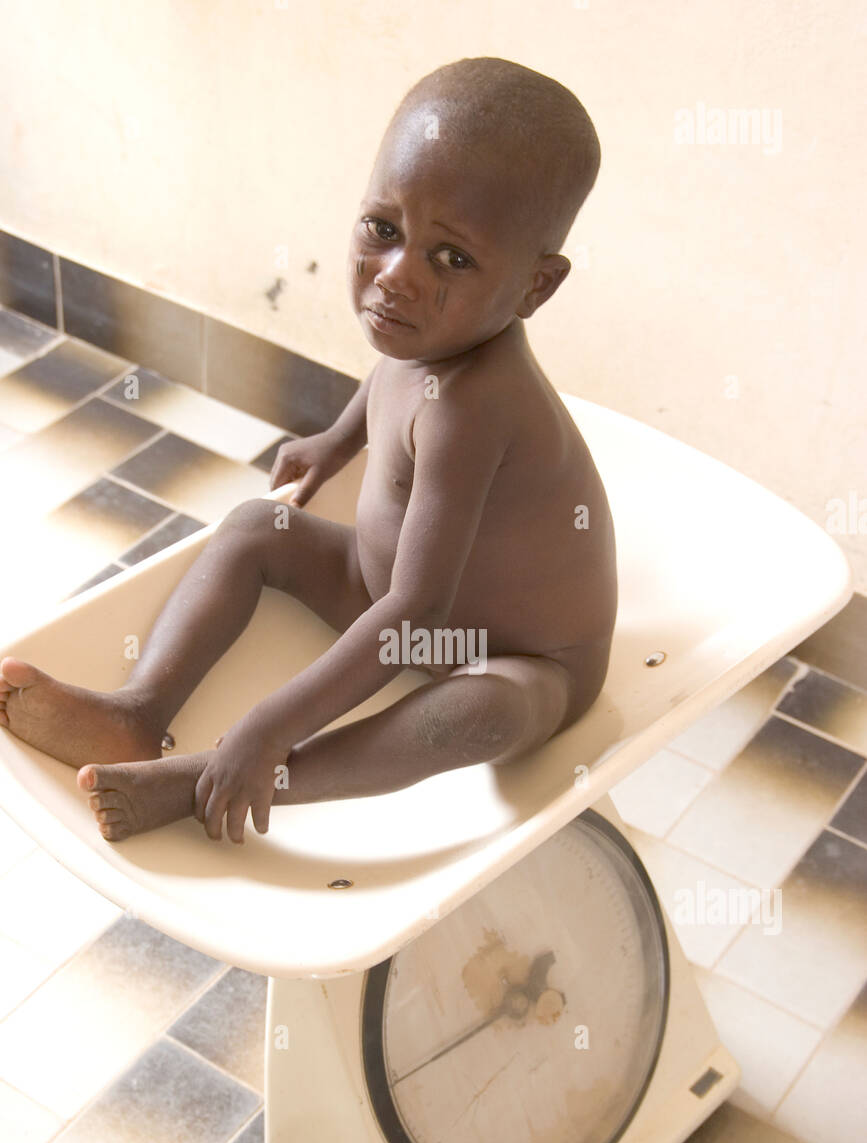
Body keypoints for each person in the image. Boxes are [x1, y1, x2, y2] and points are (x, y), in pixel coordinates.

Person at [0, 56, 617, 844]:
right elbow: (388, 380)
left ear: (536, 286)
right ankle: (138, 711)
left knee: (481, 712)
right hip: (385, 589)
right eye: (383, 230)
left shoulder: (477, 407)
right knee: (260, 526)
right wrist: (335, 440)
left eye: (451, 257)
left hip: (514, 655)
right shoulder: (427, 327)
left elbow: (417, 614)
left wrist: (271, 726)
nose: (393, 276)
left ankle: (222, 779)